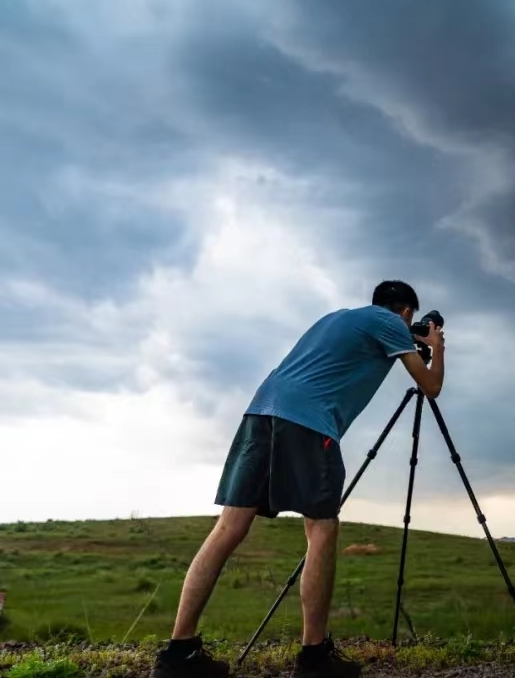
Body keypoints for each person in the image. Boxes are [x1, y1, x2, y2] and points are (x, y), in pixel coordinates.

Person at [150, 280, 445, 678]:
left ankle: (178, 653)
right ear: (406, 312)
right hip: (308, 421)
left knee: (229, 528)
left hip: (260, 411)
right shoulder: (391, 323)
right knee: (321, 528)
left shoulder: (338, 318)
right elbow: (431, 386)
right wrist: (436, 346)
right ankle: (314, 658)